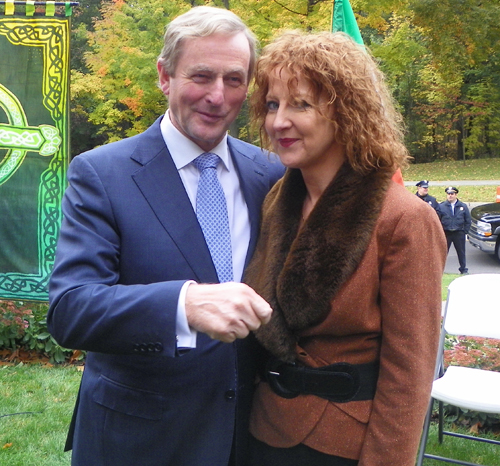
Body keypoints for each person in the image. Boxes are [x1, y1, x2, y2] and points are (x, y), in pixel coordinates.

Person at [47, 6, 284, 466]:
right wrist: (184, 305)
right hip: (138, 439)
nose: (218, 96)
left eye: (234, 80)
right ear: (164, 76)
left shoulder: (270, 173)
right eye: (201, 76)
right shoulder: (102, 173)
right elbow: (70, 308)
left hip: (245, 437)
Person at [243, 31, 447, 466]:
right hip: (263, 430)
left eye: (301, 104)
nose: (279, 122)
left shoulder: (405, 218)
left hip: (344, 445)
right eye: (273, 104)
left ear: (346, 113)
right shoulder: (277, 200)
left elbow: (409, 374)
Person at [439, 186, 471, 274]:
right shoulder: (441, 206)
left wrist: (465, 231)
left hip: (458, 233)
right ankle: (441, 270)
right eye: (448, 194)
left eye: (452, 194)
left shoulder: (462, 206)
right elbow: (438, 220)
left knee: (461, 252)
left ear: (456, 195)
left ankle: (463, 269)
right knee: (443, 253)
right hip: (447, 233)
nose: (450, 196)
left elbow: (468, 220)